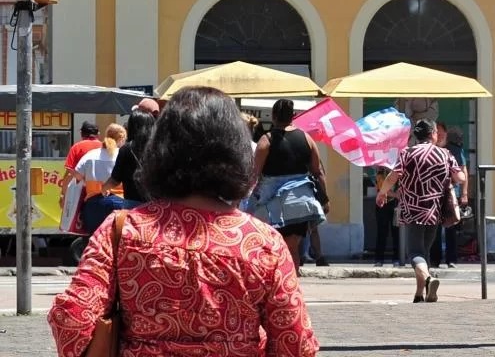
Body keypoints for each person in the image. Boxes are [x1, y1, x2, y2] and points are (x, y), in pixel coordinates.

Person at [48, 86, 319, 357]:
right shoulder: (262, 242)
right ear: (237, 153)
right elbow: (295, 343)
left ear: (159, 150)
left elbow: (71, 319)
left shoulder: (122, 231)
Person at [376, 119, 463, 303]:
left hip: (412, 210)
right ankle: (419, 293)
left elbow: (392, 177)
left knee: (415, 253)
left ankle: (429, 279)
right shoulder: (445, 154)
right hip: (434, 210)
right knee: (424, 252)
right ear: (432, 134)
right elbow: (460, 178)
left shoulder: (407, 153)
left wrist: (382, 193)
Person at [251, 99, 330, 275]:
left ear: (273, 116)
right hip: (301, 203)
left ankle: (277, 282)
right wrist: (325, 199)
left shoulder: (266, 140)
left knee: (272, 247)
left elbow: (254, 174)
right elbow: (318, 172)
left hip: (273, 205)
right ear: (293, 116)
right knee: (292, 248)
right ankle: (291, 283)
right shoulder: (306, 138)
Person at [73, 123, 126, 235]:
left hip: (94, 205)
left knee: (94, 241)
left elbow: (77, 176)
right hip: (120, 203)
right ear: (121, 139)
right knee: (118, 241)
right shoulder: (123, 155)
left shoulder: (90, 155)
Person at [431, 119, 469, 268]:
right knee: (434, 228)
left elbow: (463, 170)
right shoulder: (430, 150)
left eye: (442, 133)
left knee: (451, 226)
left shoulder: (455, 149)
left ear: (446, 133)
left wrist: (464, 193)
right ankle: (434, 259)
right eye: (437, 133)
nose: (439, 136)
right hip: (433, 194)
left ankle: (451, 259)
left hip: (452, 193)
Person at [102, 109, 156, 207]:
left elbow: (115, 180)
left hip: (133, 203)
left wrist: (103, 188)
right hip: (157, 203)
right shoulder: (160, 147)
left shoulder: (126, 149)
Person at [372, 166, 402, 267]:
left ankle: (396, 259)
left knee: (396, 232)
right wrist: (396, 195)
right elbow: (382, 189)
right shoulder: (380, 173)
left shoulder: (399, 172)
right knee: (382, 232)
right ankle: (379, 259)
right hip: (382, 205)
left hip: (396, 205)